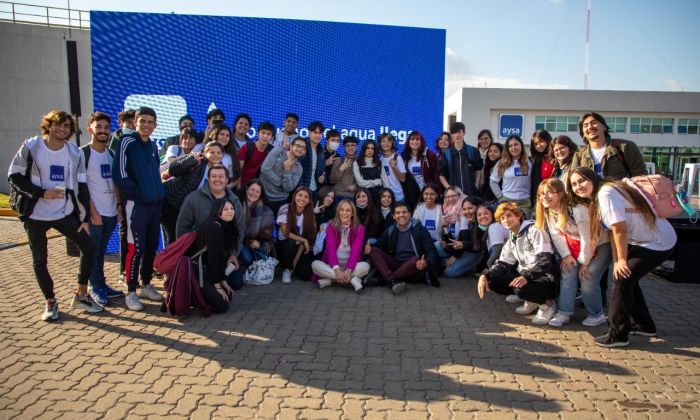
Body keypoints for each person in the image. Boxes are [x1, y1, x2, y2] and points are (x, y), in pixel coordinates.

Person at [8, 110, 102, 320]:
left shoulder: (73, 152)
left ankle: (81, 294)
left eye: (66, 126)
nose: (62, 129)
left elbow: (81, 186)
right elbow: (13, 175)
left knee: (89, 247)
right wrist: (41, 193)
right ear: (48, 126)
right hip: (35, 215)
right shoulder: (32, 147)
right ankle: (50, 302)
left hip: (63, 212)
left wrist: (83, 218)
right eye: (58, 125)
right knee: (40, 260)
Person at [569, 167, 676, 348]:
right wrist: (618, 259)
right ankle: (645, 326)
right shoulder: (601, 195)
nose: (578, 186)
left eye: (582, 180)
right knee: (627, 278)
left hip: (658, 242)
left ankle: (618, 334)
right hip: (646, 241)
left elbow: (620, 228)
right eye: (573, 184)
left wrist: (621, 260)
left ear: (593, 179)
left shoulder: (606, 193)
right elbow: (612, 232)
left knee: (621, 279)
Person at [535, 178, 610, 328]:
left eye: (550, 192)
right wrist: (566, 256)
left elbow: (589, 238)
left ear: (561, 194)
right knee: (568, 271)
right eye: (541, 193)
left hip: (601, 245)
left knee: (587, 277)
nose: (545, 196)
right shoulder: (549, 211)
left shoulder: (577, 209)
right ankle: (564, 312)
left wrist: (584, 263)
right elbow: (557, 236)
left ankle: (597, 315)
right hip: (576, 246)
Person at [112, 106, 166, 311]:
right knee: (135, 248)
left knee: (151, 246)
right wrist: (139, 193)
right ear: (135, 122)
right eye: (142, 121)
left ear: (155, 125)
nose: (146, 125)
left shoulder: (152, 146)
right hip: (137, 205)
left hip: (154, 204)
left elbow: (154, 174)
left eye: (150, 122)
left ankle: (146, 285)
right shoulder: (127, 142)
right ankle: (131, 291)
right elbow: (119, 175)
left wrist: (157, 193)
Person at [476, 202, 558, 325]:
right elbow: (503, 263)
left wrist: (526, 277)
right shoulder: (512, 237)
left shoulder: (535, 230)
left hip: (546, 279)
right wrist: (485, 275)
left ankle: (548, 305)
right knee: (494, 281)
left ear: (519, 216)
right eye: (502, 218)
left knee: (520, 289)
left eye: (509, 216)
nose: (506, 220)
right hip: (528, 277)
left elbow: (546, 261)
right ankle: (532, 301)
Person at [82, 111, 124, 306]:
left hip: (110, 212)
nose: (103, 131)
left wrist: (118, 207)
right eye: (98, 127)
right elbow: (80, 187)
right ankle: (95, 287)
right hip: (94, 214)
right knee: (93, 251)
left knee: (101, 251)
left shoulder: (111, 154)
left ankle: (101, 283)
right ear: (90, 128)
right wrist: (92, 212)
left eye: (106, 128)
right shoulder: (83, 154)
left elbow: (115, 182)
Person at [175, 164, 246, 263]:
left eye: (221, 176)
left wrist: (234, 254)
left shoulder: (234, 200)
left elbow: (240, 229)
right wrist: (186, 255)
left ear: (226, 180)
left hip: (226, 254)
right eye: (213, 176)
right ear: (208, 179)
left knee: (236, 278)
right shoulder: (193, 198)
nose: (217, 179)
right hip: (199, 254)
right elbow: (182, 228)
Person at [364, 202, 439, 294]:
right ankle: (392, 280)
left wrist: (426, 262)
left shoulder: (420, 229)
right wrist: (368, 247)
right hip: (395, 263)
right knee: (373, 250)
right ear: (394, 216)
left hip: (414, 267)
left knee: (415, 260)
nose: (401, 215)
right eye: (398, 213)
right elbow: (379, 246)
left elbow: (432, 251)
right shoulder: (390, 229)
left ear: (409, 214)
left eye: (404, 212)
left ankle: (386, 279)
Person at [162, 141, 226, 246]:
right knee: (175, 237)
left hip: (186, 210)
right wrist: (190, 160)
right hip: (170, 202)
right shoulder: (196, 161)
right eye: (212, 152)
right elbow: (173, 169)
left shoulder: (220, 172)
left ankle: (172, 261)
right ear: (205, 153)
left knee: (182, 240)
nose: (215, 155)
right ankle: (166, 261)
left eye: (218, 152)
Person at [189, 198, 244, 313]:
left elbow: (220, 259)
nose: (230, 211)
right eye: (225, 209)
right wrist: (218, 286)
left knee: (228, 295)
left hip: (206, 271)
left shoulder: (224, 226)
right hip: (196, 272)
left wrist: (223, 281)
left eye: (232, 208)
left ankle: (204, 295)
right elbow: (213, 260)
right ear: (217, 212)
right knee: (222, 306)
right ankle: (191, 297)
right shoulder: (214, 227)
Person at [312, 199, 369, 292]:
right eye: (342, 210)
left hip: (351, 265)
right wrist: (337, 269)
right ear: (338, 212)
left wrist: (348, 269)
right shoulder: (331, 225)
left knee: (365, 266)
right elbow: (330, 248)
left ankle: (330, 281)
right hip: (333, 265)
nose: (344, 213)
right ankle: (352, 280)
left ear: (352, 213)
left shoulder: (359, 228)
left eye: (348, 210)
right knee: (315, 265)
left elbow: (356, 250)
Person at [571, 112, 647, 179]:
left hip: (620, 194)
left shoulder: (625, 147)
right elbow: (574, 180)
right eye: (585, 125)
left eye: (594, 122)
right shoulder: (579, 156)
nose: (590, 127)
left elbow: (640, 176)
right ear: (583, 133)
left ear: (604, 127)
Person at [276, 186, 316, 283]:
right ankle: (287, 269)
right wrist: (303, 240)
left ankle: (292, 267)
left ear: (309, 201)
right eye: (300, 195)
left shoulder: (310, 215)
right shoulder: (285, 208)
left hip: (299, 248)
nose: (302, 199)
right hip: (285, 246)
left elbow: (306, 238)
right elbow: (285, 233)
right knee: (290, 242)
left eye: (306, 197)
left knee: (305, 275)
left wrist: (295, 262)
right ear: (294, 196)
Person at [260, 136, 306, 215]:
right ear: (291, 146)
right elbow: (265, 169)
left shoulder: (299, 168)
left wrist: (287, 171)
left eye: (303, 148)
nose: (300, 149)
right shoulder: (278, 151)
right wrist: (280, 183)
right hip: (264, 196)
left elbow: (288, 188)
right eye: (298, 146)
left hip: (281, 201)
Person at [490, 134, 532, 217]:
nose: (513, 148)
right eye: (510, 146)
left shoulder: (529, 161)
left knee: (524, 227)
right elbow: (493, 181)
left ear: (521, 145)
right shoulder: (502, 163)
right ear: (507, 148)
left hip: (526, 202)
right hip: (508, 201)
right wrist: (500, 197)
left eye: (516, 144)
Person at [238, 179, 275, 267]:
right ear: (246, 189)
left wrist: (259, 242)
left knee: (254, 257)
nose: (254, 193)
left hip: (254, 243)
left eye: (257, 192)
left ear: (260, 194)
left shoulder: (266, 210)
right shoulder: (236, 203)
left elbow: (268, 235)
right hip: (237, 241)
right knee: (247, 258)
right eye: (252, 190)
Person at [439, 122, 483, 197]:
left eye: (459, 132)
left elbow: (478, 170)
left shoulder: (473, 151)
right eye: (454, 133)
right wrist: (449, 189)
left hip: (471, 194)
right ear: (451, 135)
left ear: (464, 132)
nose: (457, 135)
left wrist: (476, 186)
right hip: (454, 196)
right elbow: (441, 175)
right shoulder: (446, 154)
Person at [400, 130, 440, 210]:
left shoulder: (430, 155)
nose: (415, 141)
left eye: (417, 139)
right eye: (412, 139)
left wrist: (436, 189)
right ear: (408, 141)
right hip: (411, 193)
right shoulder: (403, 156)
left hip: (428, 191)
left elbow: (437, 173)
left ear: (421, 142)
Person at [237, 121, 275, 186]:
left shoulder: (272, 151)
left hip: (260, 188)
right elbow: (238, 171)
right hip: (244, 186)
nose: (265, 136)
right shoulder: (246, 148)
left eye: (268, 134)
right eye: (263, 133)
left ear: (272, 137)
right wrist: (239, 188)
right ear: (258, 134)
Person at [297, 121, 327, 197]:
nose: (318, 135)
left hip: (315, 189)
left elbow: (322, 170)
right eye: (315, 132)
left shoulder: (322, 151)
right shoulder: (302, 146)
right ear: (309, 132)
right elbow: (296, 167)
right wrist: (301, 188)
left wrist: (323, 177)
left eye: (320, 133)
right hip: (301, 189)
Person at [474, 204, 508, 270]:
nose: (482, 216)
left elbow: (497, 250)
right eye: (479, 215)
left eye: (486, 213)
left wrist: (489, 266)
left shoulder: (494, 226)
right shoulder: (488, 228)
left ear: (493, 214)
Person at [209, 124, 240, 190]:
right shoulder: (205, 151)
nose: (224, 137)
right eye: (222, 134)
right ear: (216, 135)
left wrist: (225, 188)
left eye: (227, 136)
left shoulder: (231, 157)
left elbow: (236, 178)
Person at [378, 133, 407, 203]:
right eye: (383, 141)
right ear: (380, 143)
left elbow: (403, 179)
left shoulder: (397, 157)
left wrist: (393, 167)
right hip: (386, 197)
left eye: (389, 141)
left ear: (392, 144)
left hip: (398, 197)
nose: (386, 143)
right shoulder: (380, 159)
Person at [529, 129, 555, 208]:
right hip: (543, 199)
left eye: (541, 141)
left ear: (548, 140)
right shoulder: (537, 161)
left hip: (557, 196)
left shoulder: (557, 157)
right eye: (536, 144)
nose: (538, 145)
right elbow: (534, 184)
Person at [330, 135, 359, 201]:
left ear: (357, 146)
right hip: (338, 195)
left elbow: (364, 179)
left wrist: (355, 186)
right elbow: (332, 180)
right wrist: (340, 169)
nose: (350, 147)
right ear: (344, 147)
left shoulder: (360, 161)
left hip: (354, 195)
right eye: (347, 145)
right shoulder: (339, 160)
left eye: (353, 145)